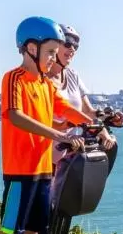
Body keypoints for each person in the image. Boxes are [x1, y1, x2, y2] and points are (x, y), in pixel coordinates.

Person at [0, 16, 91, 234]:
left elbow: (65, 109)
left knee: (34, 230)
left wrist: (91, 124)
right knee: (10, 230)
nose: (53, 58)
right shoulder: (14, 78)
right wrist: (56, 134)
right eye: (49, 52)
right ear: (30, 49)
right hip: (19, 170)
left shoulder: (46, 85)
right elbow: (15, 115)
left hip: (41, 170)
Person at [48, 25, 118, 167]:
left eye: (76, 46)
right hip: (47, 155)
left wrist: (109, 119)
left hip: (71, 153)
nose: (72, 49)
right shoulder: (42, 80)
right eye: (67, 43)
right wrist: (62, 128)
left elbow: (88, 112)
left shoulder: (72, 75)